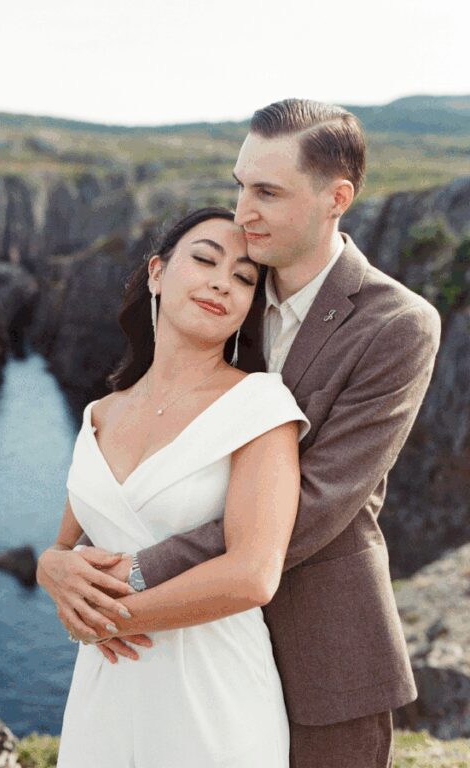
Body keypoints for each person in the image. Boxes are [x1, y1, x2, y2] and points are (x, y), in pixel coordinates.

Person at [38, 99, 442, 767]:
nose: (243, 210)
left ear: (334, 198)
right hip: (174, 650)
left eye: (267, 191)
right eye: (239, 184)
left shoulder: (398, 324)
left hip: (324, 644)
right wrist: (56, 564)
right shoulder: (229, 294)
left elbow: (317, 502)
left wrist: (124, 580)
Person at [51, 206, 308, 766]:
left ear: (248, 309)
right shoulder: (99, 413)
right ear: (157, 273)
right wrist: (50, 570)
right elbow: (65, 547)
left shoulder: (261, 405)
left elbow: (254, 574)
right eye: (205, 259)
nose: (222, 281)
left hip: (212, 693)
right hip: (104, 687)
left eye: (243, 278)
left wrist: (103, 620)